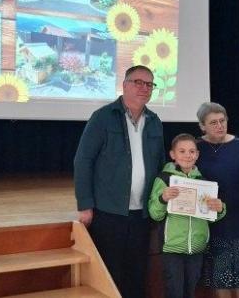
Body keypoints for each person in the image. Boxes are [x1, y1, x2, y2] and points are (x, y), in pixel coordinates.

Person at [73, 65, 166, 298]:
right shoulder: (103, 117)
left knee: (137, 275)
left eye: (149, 84)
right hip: (109, 212)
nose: (144, 88)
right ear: (124, 85)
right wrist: (85, 204)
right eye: (138, 82)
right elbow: (83, 160)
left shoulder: (154, 121)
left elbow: (160, 166)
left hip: (141, 215)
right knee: (110, 275)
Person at [148, 133, 226, 298]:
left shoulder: (204, 182)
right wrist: (163, 198)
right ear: (172, 155)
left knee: (190, 292)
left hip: (197, 249)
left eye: (191, 151)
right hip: (172, 248)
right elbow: (155, 214)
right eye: (182, 151)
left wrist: (219, 208)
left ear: (197, 155)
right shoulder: (164, 179)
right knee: (174, 292)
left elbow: (211, 217)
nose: (187, 155)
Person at [195, 102, 239, 298]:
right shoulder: (195, 148)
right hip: (213, 220)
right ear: (202, 126)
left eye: (222, 121)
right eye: (213, 122)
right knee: (220, 273)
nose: (219, 126)